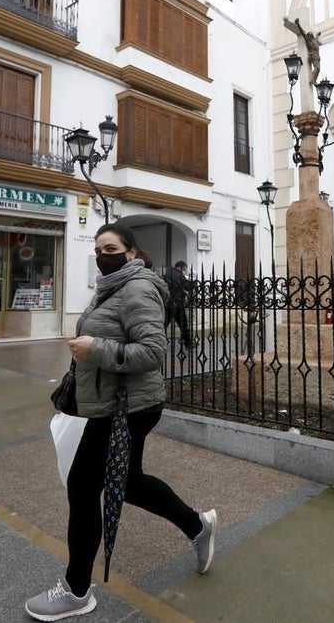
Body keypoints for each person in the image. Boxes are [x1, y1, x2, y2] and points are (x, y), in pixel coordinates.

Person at [25, 225, 216, 621]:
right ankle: (197, 525)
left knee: (82, 487)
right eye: (97, 248)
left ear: (131, 253)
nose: (102, 254)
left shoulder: (138, 289)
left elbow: (152, 351)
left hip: (126, 409)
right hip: (116, 406)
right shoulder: (111, 287)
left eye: (110, 248)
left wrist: (95, 349)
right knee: (128, 483)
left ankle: (77, 590)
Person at [164, 261, 195, 349]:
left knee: (163, 325)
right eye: (185, 268)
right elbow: (187, 287)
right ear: (182, 267)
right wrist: (192, 283)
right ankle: (188, 344)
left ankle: (159, 341)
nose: (185, 270)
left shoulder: (167, 274)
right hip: (178, 304)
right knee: (183, 325)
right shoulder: (180, 276)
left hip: (168, 303)